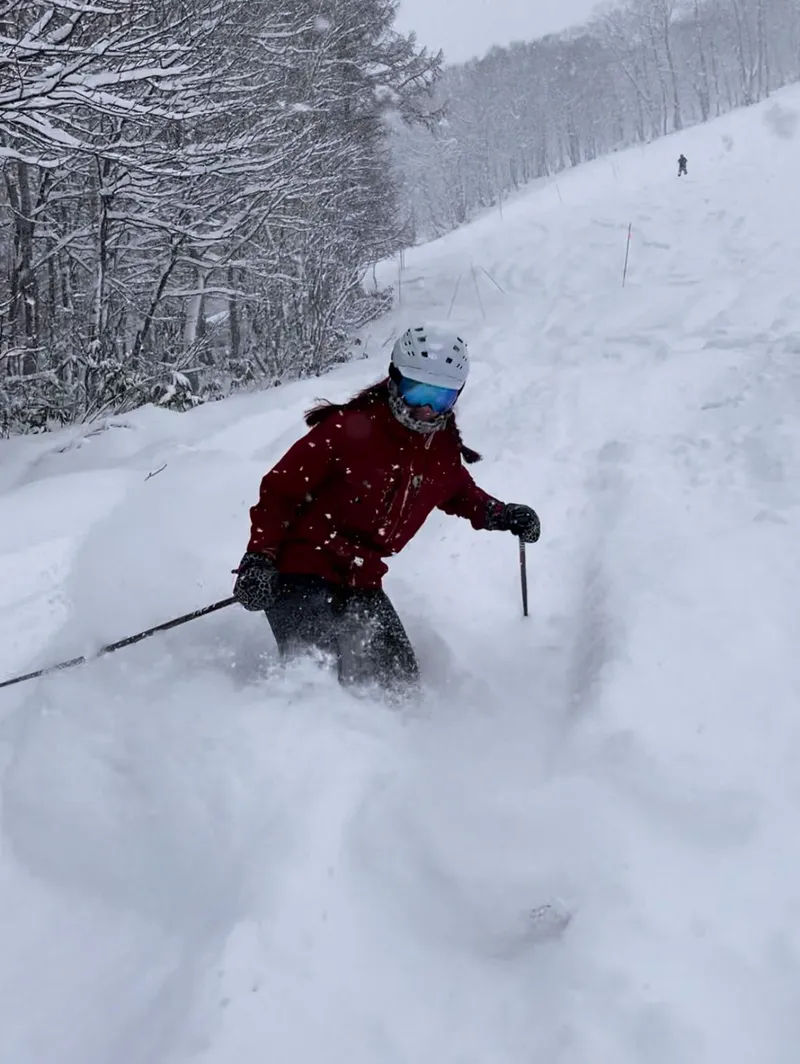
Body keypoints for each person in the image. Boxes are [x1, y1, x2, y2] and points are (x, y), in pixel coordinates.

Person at [233, 324, 540, 695]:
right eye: (418, 392)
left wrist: (501, 514)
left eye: (440, 399)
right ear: (394, 379)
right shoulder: (346, 430)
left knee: (399, 684)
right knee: (313, 678)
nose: (426, 410)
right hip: (301, 569)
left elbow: (459, 492)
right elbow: (280, 491)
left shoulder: (438, 446)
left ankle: (394, 745)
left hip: (361, 579)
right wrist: (258, 559)